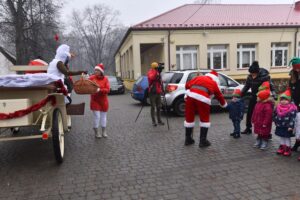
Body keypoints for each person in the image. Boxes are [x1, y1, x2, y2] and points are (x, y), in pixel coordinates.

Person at [184, 70, 227, 147]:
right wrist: (224, 104)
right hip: (203, 98)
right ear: (215, 79)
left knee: (189, 118)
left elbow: (187, 85)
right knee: (204, 119)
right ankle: (202, 141)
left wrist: (189, 91)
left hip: (190, 97)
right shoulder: (213, 83)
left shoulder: (198, 77)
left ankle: (188, 139)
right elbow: (219, 95)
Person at [241, 61, 275, 135]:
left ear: (258, 72)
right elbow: (246, 86)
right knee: (249, 112)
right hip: (254, 97)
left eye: (254, 74)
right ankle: (248, 128)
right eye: (251, 74)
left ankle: (266, 132)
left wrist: (274, 94)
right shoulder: (250, 76)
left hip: (263, 98)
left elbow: (271, 85)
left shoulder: (265, 76)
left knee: (262, 114)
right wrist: (241, 94)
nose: (252, 75)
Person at [273, 89, 297, 157]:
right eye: (282, 99)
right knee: (282, 137)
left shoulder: (292, 108)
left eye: (285, 100)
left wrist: (291, 126)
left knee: (287, 138)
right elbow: (275, 115)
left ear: (289, 100)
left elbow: (293, 118)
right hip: (280, 125)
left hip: (287, 126)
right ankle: (282, 147)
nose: (283, 101)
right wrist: (275, 120)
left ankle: (288, 149)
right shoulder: (278, 107)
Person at [89, 63, 110, 138]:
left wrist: (99, 90)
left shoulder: (105, 79)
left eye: (97, 70)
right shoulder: (91, 78)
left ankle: (104, 131)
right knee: (97, 116)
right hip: (94, 100)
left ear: (101, 71)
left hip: (103, 101)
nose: (96, 71)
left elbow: (107, 90)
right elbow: (87, 86)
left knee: (103, 116)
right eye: (95, 70)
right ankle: (96, 132)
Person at [147, 62, 164, 126]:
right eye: (156, 67)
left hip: (158, 91)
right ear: (154, 67)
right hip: (152, 92)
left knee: (159, 107)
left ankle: (159, 120)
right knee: (153, 107)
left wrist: (159, 74)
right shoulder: (150, 72)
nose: (157, 68)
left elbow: (160, 81)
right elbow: (152, 78)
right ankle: (153, 121)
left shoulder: (158, 72)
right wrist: (156, 72)